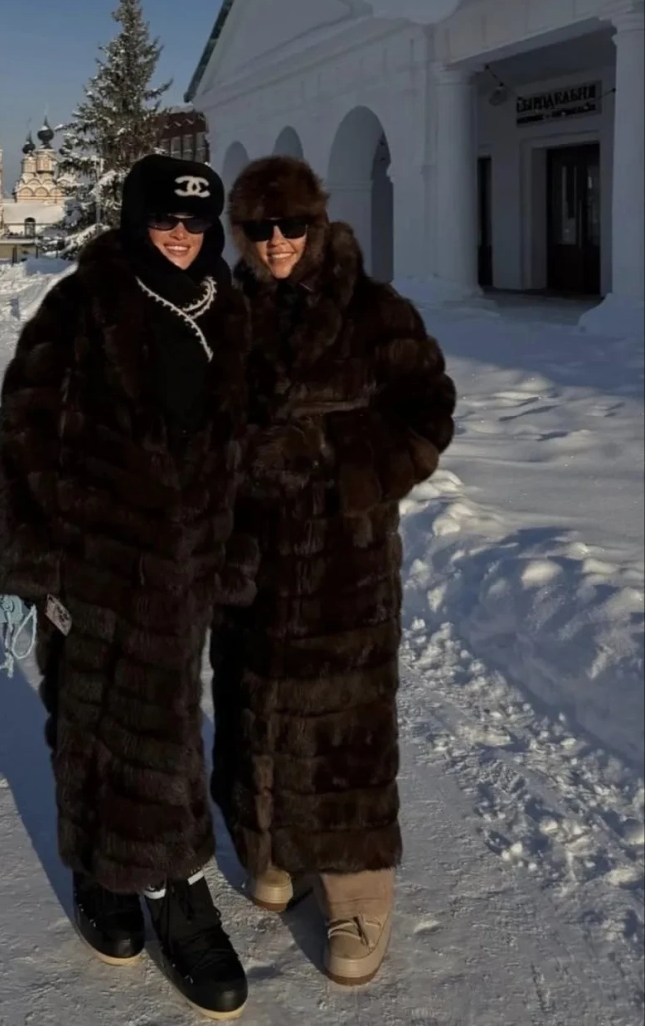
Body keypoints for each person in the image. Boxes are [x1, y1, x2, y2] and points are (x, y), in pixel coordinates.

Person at [0, 154, 251, 1020]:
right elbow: (23, 434)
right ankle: (170, 889)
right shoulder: (82, 305)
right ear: (137, 220)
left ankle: (112, 865)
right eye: (164, 220)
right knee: (100, 712)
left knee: (148, 715)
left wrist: (240, 549)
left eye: (196, 222)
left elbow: (247, 444)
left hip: (190, 563)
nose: (181, 236)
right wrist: (32, 563)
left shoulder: (227, 308)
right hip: (94, 559)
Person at [210, 156, 457, 987]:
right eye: (258, 228)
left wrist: (333, 464)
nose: (275, 242)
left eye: (292, 225)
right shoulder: (226, 315)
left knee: (345, 724)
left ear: (317, 224)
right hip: (251, 557)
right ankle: (277, 845)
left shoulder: (373, 310)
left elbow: (427, 412)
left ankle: (358, 887)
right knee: (255, 700)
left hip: (342, 562)